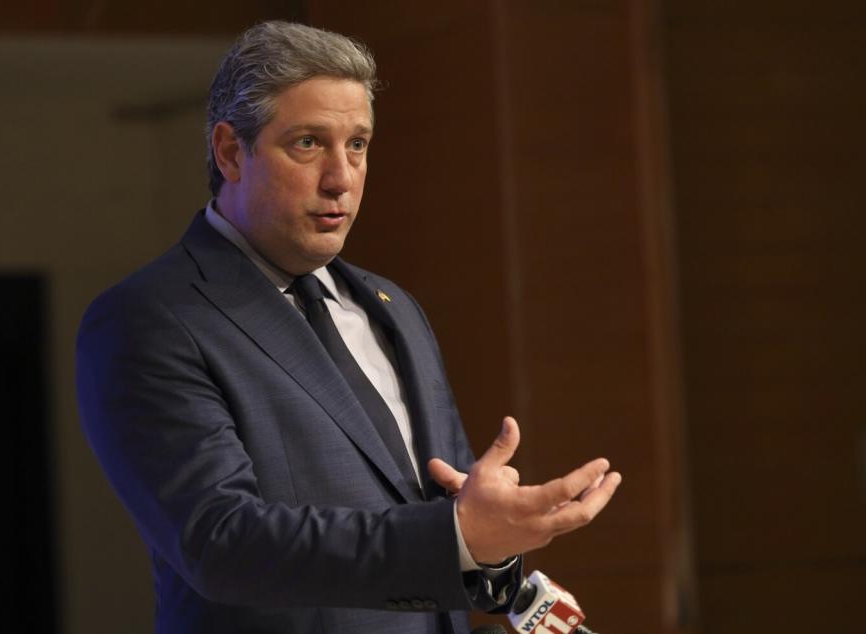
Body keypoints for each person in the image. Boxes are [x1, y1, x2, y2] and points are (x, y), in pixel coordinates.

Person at [76, 20, 621, 634]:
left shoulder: (393, 308)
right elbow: (220, 542)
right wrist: (455, 536)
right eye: (309, 143)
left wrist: (494, 542)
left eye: (357, 144)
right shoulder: (150, 318)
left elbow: (450, 522)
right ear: (231, 152)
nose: (342, 177)